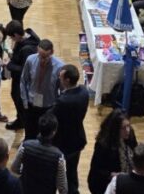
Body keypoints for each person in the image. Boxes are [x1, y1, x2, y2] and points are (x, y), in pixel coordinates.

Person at [51, 64, 89, 194]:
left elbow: (51, 116)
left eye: (61, 77)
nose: (59, 79)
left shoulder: (63, 101)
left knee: (60, 172)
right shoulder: (84, 92)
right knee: (72, 171)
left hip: (63, 142)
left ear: (67, 80)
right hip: (77, 138)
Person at [10, 112, 68, 194]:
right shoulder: (59, 157)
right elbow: (63, 188)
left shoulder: (25, 146)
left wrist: (26, 172)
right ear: (54, 132)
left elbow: (14, 168)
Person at [20, 38, 64, 139]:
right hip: (31, 105)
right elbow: (23, 81)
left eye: (45, 57)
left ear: (52, 52)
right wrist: (25, 102)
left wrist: (56, 107)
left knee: (44, 137)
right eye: (40, 56)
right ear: (37, 50)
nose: (42, 60)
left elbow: (62, 90)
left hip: (48, 107)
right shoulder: (30, 60)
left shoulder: (60, 67)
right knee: (29, 134)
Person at [87, 110, 138, 194]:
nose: (127, 130)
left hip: (125, 181)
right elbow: (96, 169)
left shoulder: (130, 135)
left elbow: (135, 152)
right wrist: (111, 175)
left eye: (128, 126)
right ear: (115, 129)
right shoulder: (103, 144)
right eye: (123, 128)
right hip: (104, 184)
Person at [5, 21, 40, 132]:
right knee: (16, 99)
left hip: (23, 83)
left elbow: (25, 71)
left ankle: (25, 126)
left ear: (16, 35)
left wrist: (9, 65)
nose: (11, 40)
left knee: (22, 104)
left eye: (11, 37)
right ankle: (20, 121)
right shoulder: (27, 36)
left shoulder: (27, 49)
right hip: (19, 81)